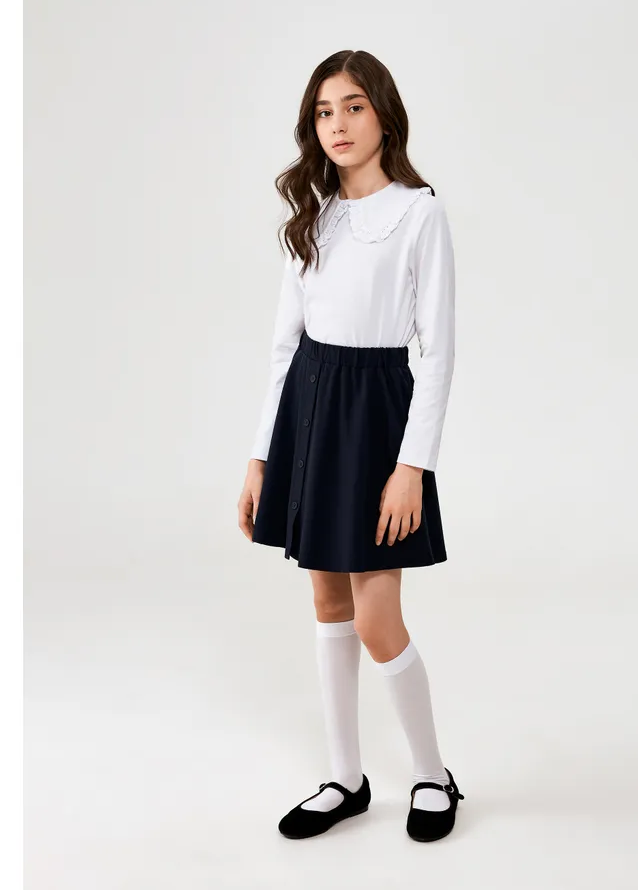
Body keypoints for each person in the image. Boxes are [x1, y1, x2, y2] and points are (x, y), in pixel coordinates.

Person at [237, 49, 463, 843]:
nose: (337, 124)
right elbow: (283, 347)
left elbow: (438, 351)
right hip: (308, 412)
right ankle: (345, 778)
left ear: (384, 116)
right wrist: (261, 456)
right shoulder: (314, 218)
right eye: (324, 111)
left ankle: (433, 774)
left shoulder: (419, 213)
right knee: (328, 602)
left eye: (354, 106)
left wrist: (412, 467)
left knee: (376, 616)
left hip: (376, 419)